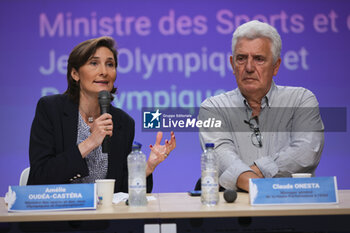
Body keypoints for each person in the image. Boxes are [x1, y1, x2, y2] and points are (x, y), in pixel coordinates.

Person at [27, 36, 176, 193]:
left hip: (104, 216)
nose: (104, 72)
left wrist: (147, 168)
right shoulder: (51, 109)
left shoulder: (123, 122)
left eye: (110, 64)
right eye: (94, 63)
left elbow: (122, 192)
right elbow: (40, 176)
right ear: (75, 74)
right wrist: (90, 142)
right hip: (59, 213)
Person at [199, 20, 324, 192]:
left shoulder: (301, 100)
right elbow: (221, 159)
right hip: (235, 213)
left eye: (259, 59)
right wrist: (264, 177)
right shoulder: (213, 108)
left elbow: (306, 152)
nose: (249, 67)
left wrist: (247, 175)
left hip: (292, 209)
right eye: (241, 58)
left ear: (276, 66)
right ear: (232, 64)